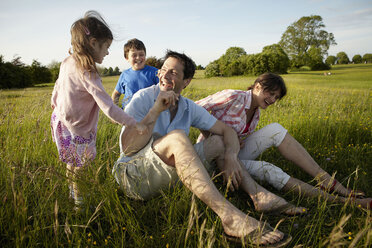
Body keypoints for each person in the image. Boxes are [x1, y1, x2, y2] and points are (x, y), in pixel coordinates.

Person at [112, 50, 293, 246]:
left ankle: (258, 195)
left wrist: (231, 156)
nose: (165, 76)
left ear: (186, 81)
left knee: (219, 140)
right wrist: (155, 110)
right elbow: (128, 148)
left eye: (173, 72)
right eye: (163, 70)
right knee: (178, 138)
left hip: (166, 174)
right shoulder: (142, 98)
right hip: (134, 176)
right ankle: (230, 217)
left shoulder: (187, 106)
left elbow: (227, 131)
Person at [195, 72, 371, 210]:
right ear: (257, 86)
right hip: (213, 158)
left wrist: (237, 141)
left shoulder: (256, 112)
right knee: (269, 169)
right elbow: (194, 109)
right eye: (270, 94)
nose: (272, 100)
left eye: (276, 97)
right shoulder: (232, 96)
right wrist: (213, 136)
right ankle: (343, 201)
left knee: (276, 129)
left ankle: (325, 179)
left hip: (234, 154)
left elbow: (238, 135)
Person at [51, 11, 144, 208]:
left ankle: (72, 193)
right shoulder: (89, 72)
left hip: (61, 121)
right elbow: (108, 107)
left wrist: (54, 103)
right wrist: (133, 122)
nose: (108, 52)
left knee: (72, 164)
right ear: (93, 43)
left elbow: (57, 86)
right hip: (77, 127)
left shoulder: (67, 62)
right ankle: (80, 204)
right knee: (80, 168)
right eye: (106, 47)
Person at [111, 38, 159, 108]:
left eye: (141, 54)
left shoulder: (154, 72)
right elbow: (116, 94)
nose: (138, 58)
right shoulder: (124, 75)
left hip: (149, 113)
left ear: (145, 55)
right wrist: (115, 111)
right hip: (128, 114)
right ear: (127, 58)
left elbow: (163, 90)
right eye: (134, 55)